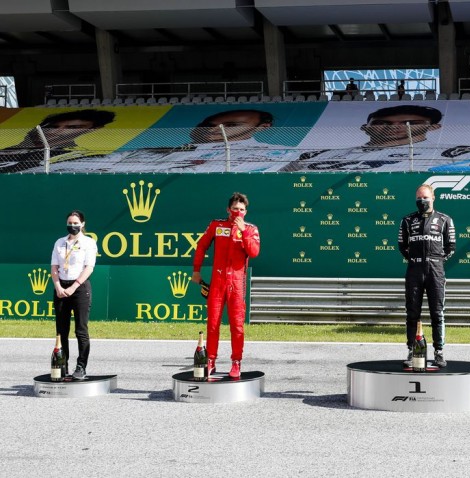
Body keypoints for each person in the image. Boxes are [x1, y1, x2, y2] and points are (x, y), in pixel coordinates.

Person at [53, 109, 292, 173]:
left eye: (230, 126)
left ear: (262, 128)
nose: (215, 130)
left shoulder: (280, 156)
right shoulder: (155, 151)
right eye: (208, 125)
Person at [283, 104, 470, 172]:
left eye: (409, 123)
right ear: (365, 128)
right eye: (383, 123)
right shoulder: (321, 154)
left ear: (434, 127)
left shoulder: (456, 153)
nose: (396, 127)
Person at [192, 192, 260, 378]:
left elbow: (254, 252)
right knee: (213, 324)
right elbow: (201, 246)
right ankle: (211, 361)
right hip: (218, 282)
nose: (238, 212)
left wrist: (243, 231)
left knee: (237, 326)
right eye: (235, 209)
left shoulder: (251, 229)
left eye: (242, 209)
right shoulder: (217, 225)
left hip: (237, 284)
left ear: (246, 212)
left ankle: (236, 362)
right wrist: (196, 270)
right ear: (228, 209)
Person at [397, 184, 455, 368]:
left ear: (433, 198)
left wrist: (435, 260)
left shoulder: (445, 220)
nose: (422, 201)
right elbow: (402, 246)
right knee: (412, 313)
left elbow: (451, 247)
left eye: (425, 197)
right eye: (419, 198)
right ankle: (411, 350)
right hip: (414, 270)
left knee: (437, 313)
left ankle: (439, 352)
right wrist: (416, 260)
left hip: (436, 271)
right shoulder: (407, 220)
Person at [50, 210, 98, 381]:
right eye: (70, 223)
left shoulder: (89, 243)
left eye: (76, 223)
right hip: (61, 287)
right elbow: (54, 267)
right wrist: (57, 286)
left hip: (80, 288)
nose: (72, 226)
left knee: (81, 330)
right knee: (61, 330)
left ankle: (81, 366)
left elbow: (89, 267)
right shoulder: (60, 242)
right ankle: (62, 364)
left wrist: (74, 286)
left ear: (83, 224)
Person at [0, 109, 116, 173]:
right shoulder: (7, 151)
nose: (53, 132)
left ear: (92, 130)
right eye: (53, 127)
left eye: (72, 128)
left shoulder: (76, 158)